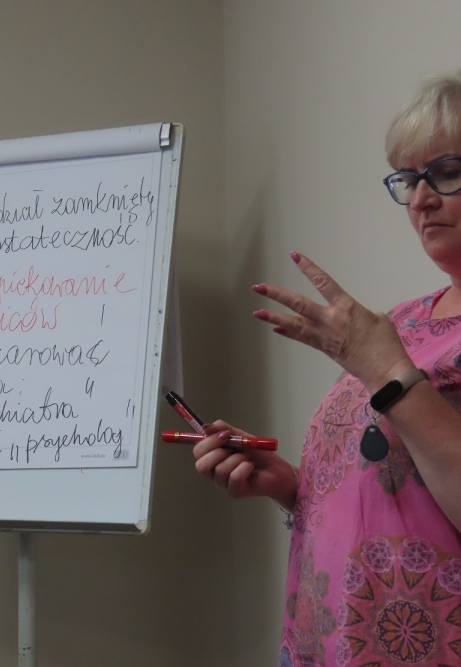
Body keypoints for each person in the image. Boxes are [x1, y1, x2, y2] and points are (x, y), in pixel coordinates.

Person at [193, 71, 461, 666]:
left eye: (446, 172)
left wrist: (387, 371)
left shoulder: (382, 346)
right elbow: (396, 488)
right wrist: (293, 487)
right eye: (409, 179)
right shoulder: (402, 323)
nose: (421, 200)